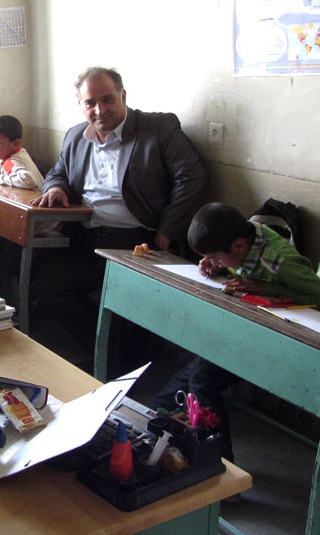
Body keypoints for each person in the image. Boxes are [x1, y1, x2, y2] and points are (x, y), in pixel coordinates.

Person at [29, 66, 208, 369]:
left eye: (108, 99)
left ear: (123, 96)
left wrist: (168, 231)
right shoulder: (75, 136)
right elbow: (57, 172)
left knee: (127, 304)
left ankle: (115, 363)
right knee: (48, 288)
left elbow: (192, 176)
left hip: (138, 243)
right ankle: (108, 355)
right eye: (90, 103)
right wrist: (56, 187)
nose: (100, 110)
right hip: (88, 240)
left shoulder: (158, 128)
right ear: (81, 105)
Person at [152, 203, 320, 463]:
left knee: (202, 378)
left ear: (238, 246)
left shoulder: (280, 261)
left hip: (274, 344)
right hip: (244, 333)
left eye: (216, 257)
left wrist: (268, 289)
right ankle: (154, 421)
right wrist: (218, 266)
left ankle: (219, 462)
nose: (214, 262)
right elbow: (237, 264)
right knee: (190, 377)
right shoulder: (248, 238)